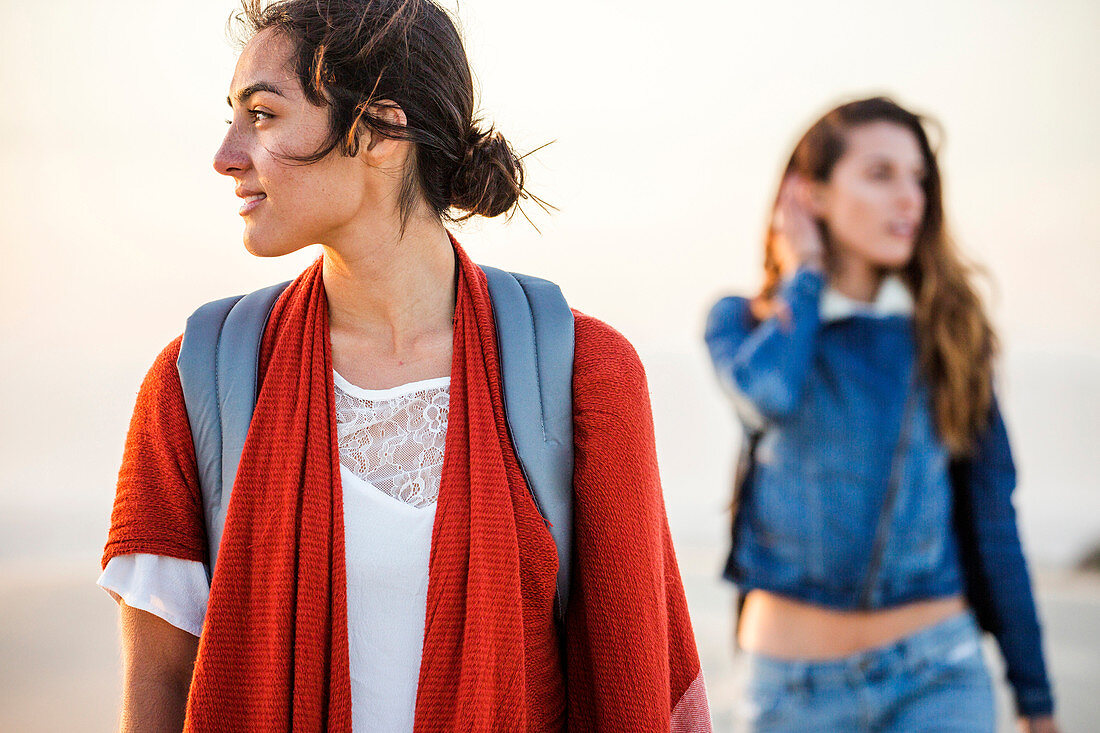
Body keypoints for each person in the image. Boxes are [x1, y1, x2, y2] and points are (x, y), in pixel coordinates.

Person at [98, 1, 711, 730]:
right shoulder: (199, 378)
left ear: (380, 130)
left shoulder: (584, 375)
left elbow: (629, 676)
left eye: (263, 114)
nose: (227, 154)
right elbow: (159, 690)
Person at [704, 97, 1058, 732]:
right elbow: (771, 395)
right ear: (810, 196)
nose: (909, 199)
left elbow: (993, 521)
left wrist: (1035, 698)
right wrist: (806, 274)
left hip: (939, 678)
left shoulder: (948, 337)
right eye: (880, 174)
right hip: (789, 693)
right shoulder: (744, 323)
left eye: (917, 178)